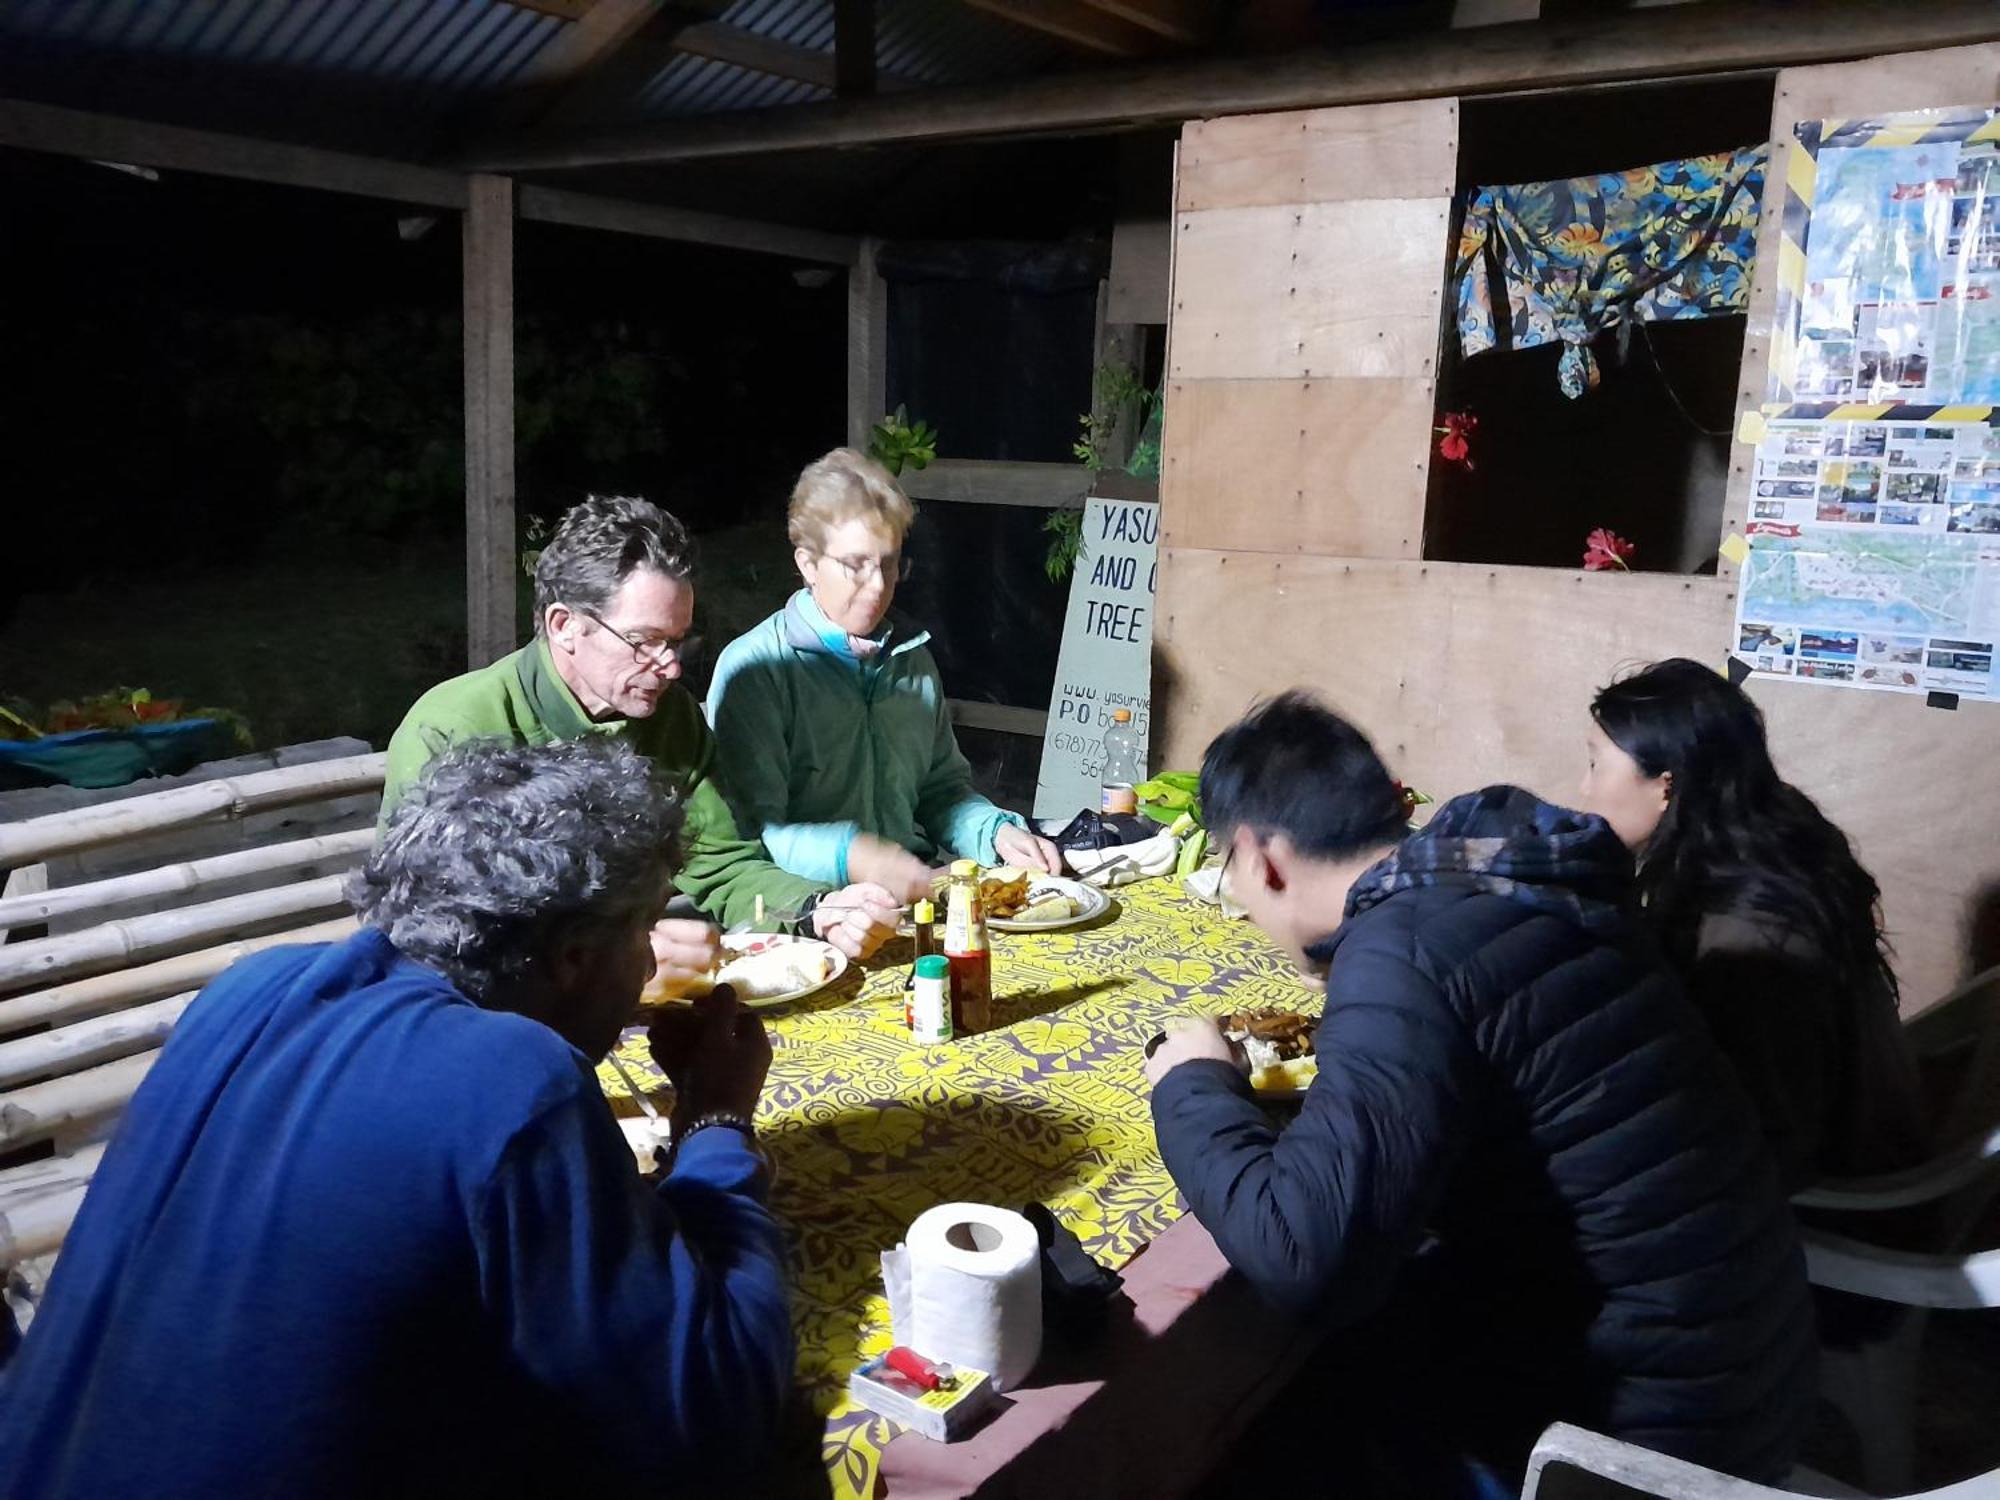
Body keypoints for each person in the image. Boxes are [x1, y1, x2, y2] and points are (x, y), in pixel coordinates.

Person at [0, 739, 792, 1497]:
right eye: (641, 932)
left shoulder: (254, 989)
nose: (651, 967)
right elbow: (710, 1417)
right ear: (575, 956)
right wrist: (715, 1123)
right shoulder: (511, 1079)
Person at [1146, 694, 1813, 1493]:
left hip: (1640, 1444)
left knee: (1277, 1412)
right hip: (1754, 1358)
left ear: (1262, 860)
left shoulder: (1406, 952)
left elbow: (1303, 1258)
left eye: (1231, 873)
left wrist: (1194, 1084)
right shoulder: (1498, 869)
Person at [382, 494, 901, 985]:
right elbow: (424, 933)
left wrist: (818, 909)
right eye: (645, 642)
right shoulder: (455, 729)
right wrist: (621, 967)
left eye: (677, 641)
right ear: (564, 625)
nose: (670, 667)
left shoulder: (668, 719)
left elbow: (721, 864)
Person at [1579, 657, 1927, 1193]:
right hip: (1854, 1145)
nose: (1585, 788)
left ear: (1665, 785)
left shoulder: (1748, 940)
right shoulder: (1770, 844)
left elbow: (1770, 1137)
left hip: (1827, 1193)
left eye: (1597, 765)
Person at [706, 448, 1061, 897]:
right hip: (805, 913)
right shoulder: (757, 671)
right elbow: (752, 835)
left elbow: (942, 790)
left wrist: (993, 832)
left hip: (915, 895)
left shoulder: (910, 659)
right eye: (855, 565)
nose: (877, 586)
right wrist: (852, 855)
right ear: (807, 564)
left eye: (889, 563)